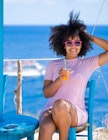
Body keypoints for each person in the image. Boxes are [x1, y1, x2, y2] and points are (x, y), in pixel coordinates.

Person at [38, 11, 108, 140]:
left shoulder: (87, 63)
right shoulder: (53, 65)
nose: (73, 46)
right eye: (69, 43)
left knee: (60, 104)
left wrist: (89, 37)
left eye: (77, 42)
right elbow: (46, 94)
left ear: (82, 44)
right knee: (46, 127)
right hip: (50, 108)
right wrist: (59, 79)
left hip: (76, 112)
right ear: (63, 45)